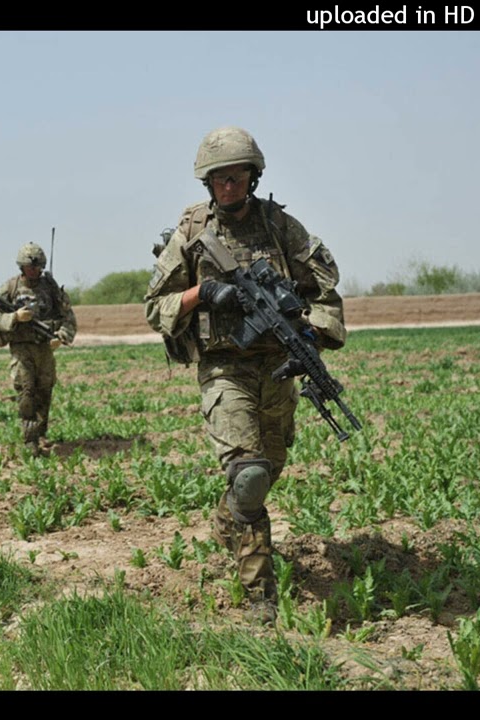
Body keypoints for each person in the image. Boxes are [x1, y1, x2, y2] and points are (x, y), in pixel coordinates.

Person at [144, 126, 347, 625]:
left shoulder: (281, 227)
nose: (228, 186)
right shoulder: (193, 233)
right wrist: (202, 294)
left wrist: (311, 336)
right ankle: (260, 596)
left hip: (277, 366)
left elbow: (325, 294)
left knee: (267, 469)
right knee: (249, 475)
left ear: (253, 177)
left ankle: (227, 521)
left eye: (236, 177)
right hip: (223, 368)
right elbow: (155, 307)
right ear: (207, 183)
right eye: (219, 179)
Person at [0, 242, 77, 455]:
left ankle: (41, 432)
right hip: (22, 349)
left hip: (45, 348)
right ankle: (30, 439)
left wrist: (61, 337)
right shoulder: (9, 289)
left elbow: (68, 317)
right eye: (30, 267)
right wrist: (15, 317)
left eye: (37, 267)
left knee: (44, 390)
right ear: (22, 266)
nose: (34, 271)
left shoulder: (51, 289)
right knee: (26, 391)